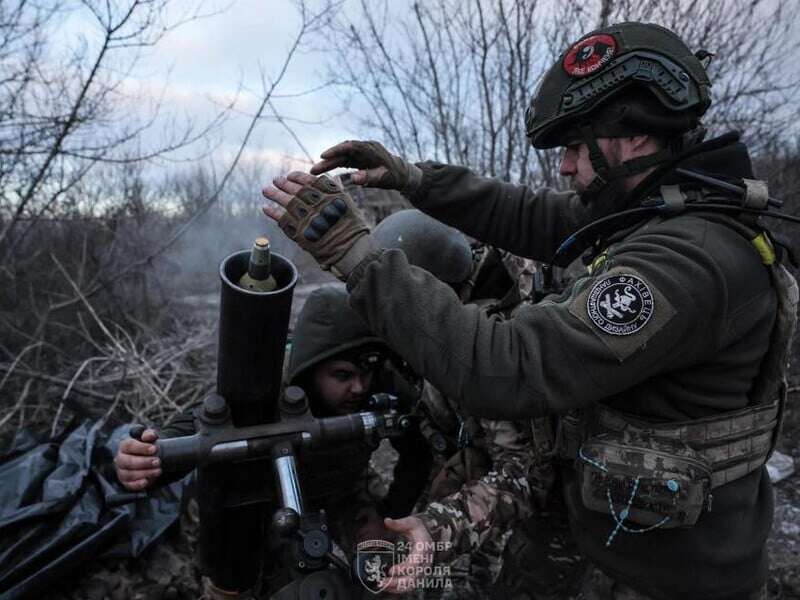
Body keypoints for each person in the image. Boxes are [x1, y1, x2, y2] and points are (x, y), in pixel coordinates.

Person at [260, 21, 798, 600]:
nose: (565, 167)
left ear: (634, 138)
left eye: (573, 145)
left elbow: (510, 368)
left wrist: (357, 256)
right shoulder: (658, 214)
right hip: (622, 545)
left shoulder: (687, 262)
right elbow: (537, 216)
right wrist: (417, 181)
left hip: (669, 579)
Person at [114, 286, 432, 572]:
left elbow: (417, 449)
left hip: (343, 490)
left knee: (386, 567)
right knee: (237, 576)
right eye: (342, 375)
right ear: (310, 368)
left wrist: (389, 513)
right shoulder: (267, 388)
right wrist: (151, 457)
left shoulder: (380, 383)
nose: (359, 388)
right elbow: (201, 425)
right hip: (264, 500)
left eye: (366, 374)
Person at [373, 209, 569, 599]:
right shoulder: (470, 267)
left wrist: (438, 527)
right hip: (476, 464)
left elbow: (527, 476)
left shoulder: (485, 344)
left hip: (542, 520)